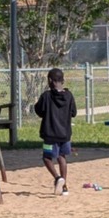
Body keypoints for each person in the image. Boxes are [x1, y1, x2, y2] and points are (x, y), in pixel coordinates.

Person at [34, 67, 77, 196]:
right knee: (61, 157)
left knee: (46, 158)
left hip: (50, 134)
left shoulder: (46, 96)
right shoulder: (69, 96)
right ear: (62, 81)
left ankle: (57, 178)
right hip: (65, 135)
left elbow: (39, 111)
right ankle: (64, 187)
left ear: (50, 81)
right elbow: (74, 113)